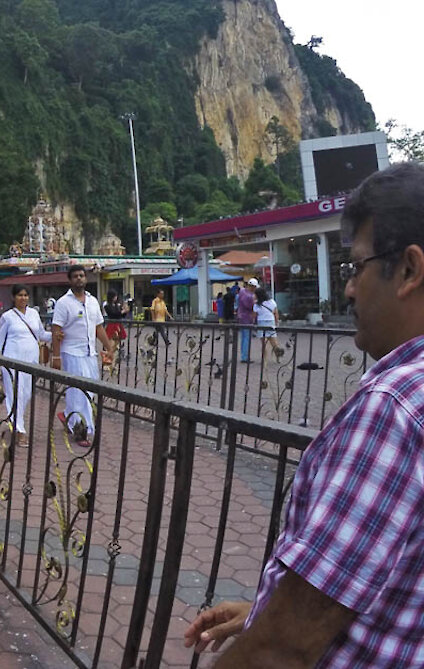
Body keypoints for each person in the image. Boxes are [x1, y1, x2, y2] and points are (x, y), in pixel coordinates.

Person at [182, 162, 424, 667]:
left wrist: (272, 627)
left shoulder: (392, 410)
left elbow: (283, 649)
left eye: (355, 267)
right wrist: (264, 612)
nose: (350, 289)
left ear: (408, 270)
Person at [50, 265, 117, 444]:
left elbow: (98, 327)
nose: (79, 279)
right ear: (70, 280)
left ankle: (67, 415)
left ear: (86, 279)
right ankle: (80, 430)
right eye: (75, 276)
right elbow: (56, 330)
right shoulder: (64, 303)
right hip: (71, 353)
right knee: (77, 393)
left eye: (81, 276)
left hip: (90, 353)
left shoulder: (93, 301)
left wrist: (109, 347)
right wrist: (55, 357)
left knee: (90, 390)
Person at [0, 284, 51, 441]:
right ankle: (19, 429)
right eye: (20, 295)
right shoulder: (7, 317)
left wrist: (57, 334)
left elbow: (41, 335)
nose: (23, 298)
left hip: (31, 361)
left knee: (26, 394)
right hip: (12, 360)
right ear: (13, 297)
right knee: (14, 393)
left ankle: (15, 420)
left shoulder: (34, 314)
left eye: (25, 295)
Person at [253, 286, 284, 359]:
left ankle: (265, 359)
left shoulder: (257, 304)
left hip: (261, 323)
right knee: (274, 342)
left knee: (264, 343)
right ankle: (278, 356)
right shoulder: (272, 301)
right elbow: (276, 313)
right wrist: (276, 322)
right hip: (271, 322)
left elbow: (254, 315)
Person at [236, 279, 257, 362]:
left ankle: (244, 355)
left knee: (244, 337)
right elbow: (250, 306)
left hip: (241, 317)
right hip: (247, 318)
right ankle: (245, 357)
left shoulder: (241, 292)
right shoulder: (248, 295)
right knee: (246, 338)